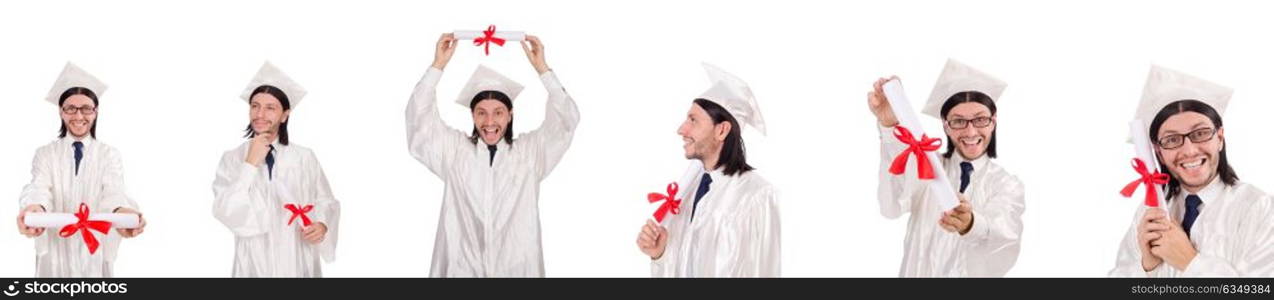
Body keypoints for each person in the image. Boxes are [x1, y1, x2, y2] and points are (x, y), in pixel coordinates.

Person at [407, 33, 579, 277]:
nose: (489, 122)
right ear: (472, 116)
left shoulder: (530, 154)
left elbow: (565, 122)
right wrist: (437, 66)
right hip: (462, 268)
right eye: (481, 113)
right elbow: (419, 122)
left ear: (510, 114)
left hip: (517, 270)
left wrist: (543, 69)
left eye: (498, 112)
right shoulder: (454, 152)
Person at [1109, 66, 1274, 277]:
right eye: (1172, 139)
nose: (1189, 150)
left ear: (1220, 138)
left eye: (1200, 133)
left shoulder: (1260, 209)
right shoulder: (1149, 213)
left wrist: (1190, 261)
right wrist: (1146, 267)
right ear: (1159, 152)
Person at [866, 59, 1024, 277]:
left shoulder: (1006, 184)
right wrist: (889, 126)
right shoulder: (927, 167)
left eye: (980, 119)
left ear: (993, 121)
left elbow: (1004, 234)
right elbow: (890, 207)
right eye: (958, 121)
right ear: (945, 125)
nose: (970, 132)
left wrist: (971, 224)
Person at [636, 63, 780, 277]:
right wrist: (660, 255)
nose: (681, 129)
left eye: (693, 120)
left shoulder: (755, 196)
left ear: (721, 130)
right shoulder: (691, 190)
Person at [17, 62, 146, 277]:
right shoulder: (45, 153)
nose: (79, 116)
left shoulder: (108, 154)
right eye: (70, 108)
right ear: (61, 111)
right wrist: (34, 210)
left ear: (95, 112)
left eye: (86, 108)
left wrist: (123, 213)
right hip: (56, 252)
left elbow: (113, 192)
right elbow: (39, 187)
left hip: (93, 253)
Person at [213, 62, 340, 277]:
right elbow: (226, 210)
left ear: (284, 115)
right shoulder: (233, 158)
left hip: (298, 257)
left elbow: (326, 200)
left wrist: (322, 225)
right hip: (254, 261)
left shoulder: (304, 157)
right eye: (255, 106)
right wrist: (250, 164)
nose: (260, 114)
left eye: (270, 107)